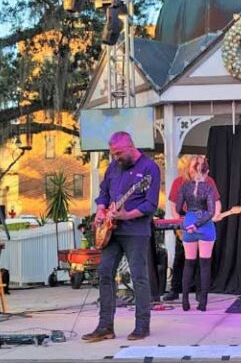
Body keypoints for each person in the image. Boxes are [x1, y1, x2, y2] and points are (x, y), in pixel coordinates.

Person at [82, 131, 160, 343]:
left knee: (139, 276)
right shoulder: (114, 167)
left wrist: (126, 214)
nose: (115, 157)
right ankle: (105, 326)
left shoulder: (149, 168)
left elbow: (150, 204)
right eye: (113, 153)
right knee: (105, 273)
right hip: (111, 231)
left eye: (118, 153)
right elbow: (104, 193)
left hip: (135, 230)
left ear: (130, 147)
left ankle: (142, 325)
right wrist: (100, 211)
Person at [162, 156, 222, 302]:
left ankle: (200, 293)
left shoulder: (209, 182)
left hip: (203, 221)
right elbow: (173, 204)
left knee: (203, 259)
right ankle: (175, 290)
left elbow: (216, 201)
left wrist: (216, 214)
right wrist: (179, 223)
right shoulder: (179, 182)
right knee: (181, 258)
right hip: (185, 223)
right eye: (194, 166)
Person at [176, 156, 219, 311]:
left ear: (190, 170)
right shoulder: (208, 188)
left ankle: (185, 301)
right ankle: (203, 303)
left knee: (189, 264)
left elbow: (178, 208)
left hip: (189, 223)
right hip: (205, 225)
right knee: (205, 265)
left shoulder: (184, 187)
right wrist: (199, 223)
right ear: (206, 171)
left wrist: (190, 220)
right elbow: (211, 212)